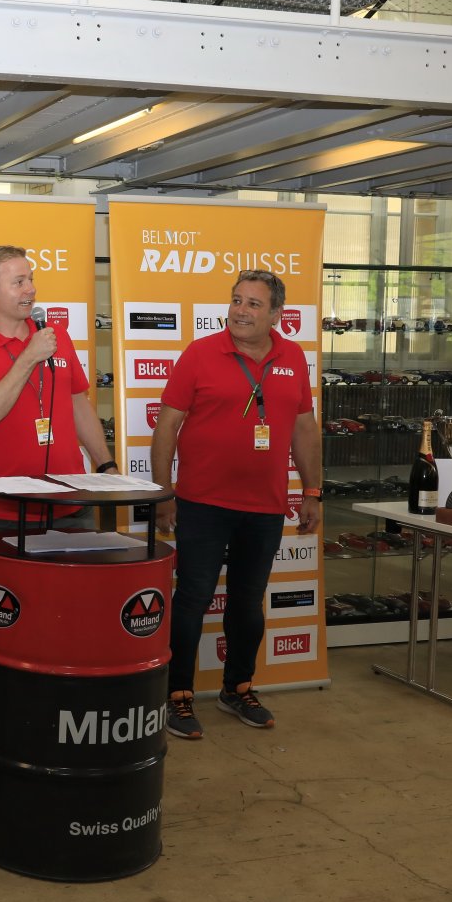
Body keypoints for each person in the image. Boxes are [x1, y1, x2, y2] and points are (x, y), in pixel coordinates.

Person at [150, 270, 322, 738]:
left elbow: (304, 428)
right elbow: (167, 427)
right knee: (192, 599)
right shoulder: (199, 353)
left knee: (247, 602)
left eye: (253, 304)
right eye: (236, 301)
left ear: (277, 314)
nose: (240, 311)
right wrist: (163, 493)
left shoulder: (293, 357)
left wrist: (312, 490)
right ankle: (177, 695)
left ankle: (238, 688)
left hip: (264, 506)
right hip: (202, 503)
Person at [0, 244, 119, 534]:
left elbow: (78, 404)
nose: (31, 289)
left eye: (31, 279)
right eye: (18, 282)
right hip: (6, 511)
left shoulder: (55, 335)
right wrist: (29, 356)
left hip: (73, 504)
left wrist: (106, 466)